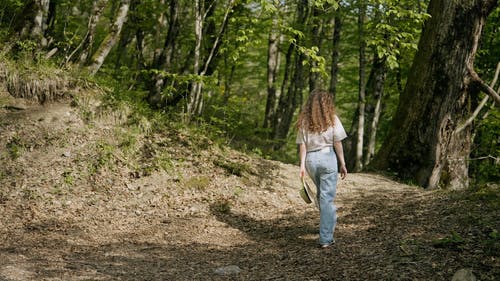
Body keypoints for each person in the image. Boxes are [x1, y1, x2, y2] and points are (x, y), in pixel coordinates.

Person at [296, 89, 348, 248]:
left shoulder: (304, 121)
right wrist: (343, 163)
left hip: (311, 160)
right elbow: (338, 142)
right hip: (327, 158)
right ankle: (326, 238)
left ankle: (326, 222)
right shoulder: (332, 119)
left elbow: (302, 146)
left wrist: (302, 165)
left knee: (322, 195)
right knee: (326, 198)